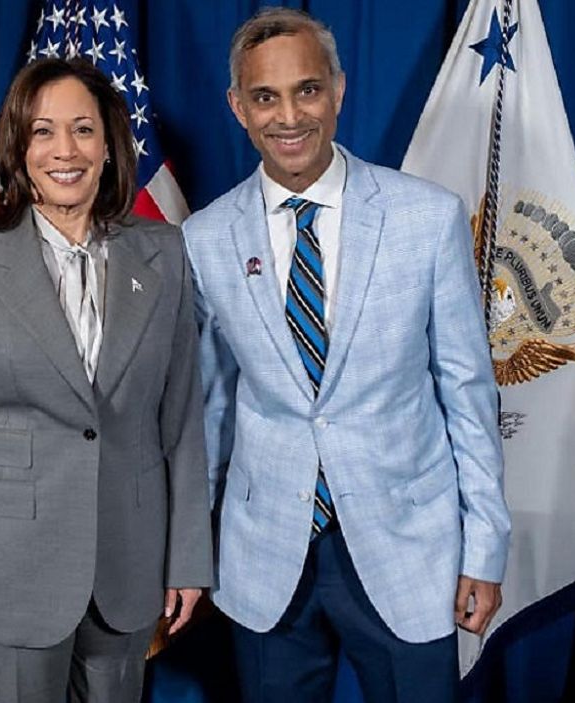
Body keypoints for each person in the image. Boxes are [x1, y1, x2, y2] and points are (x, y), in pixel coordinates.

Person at [182, 8, 511, 702]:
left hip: (408, 550)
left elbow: (468, 393)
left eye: (307, 89)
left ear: (337, 89)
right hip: (265, 557)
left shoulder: (426, 218)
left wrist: (485, 545)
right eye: (265, 97)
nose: (288, 116)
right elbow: (210, 409)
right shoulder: (205, 238)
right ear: (238, 108)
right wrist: (186, 549)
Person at [0, 57, 212, 703]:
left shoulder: (165, 253)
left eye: (83, 129)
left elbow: (180, 419)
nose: (65, 150)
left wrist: (187, 557)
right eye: (43, 131)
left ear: (110, 144)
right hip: (8, 567)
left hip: (127, 563)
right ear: (18, 147)